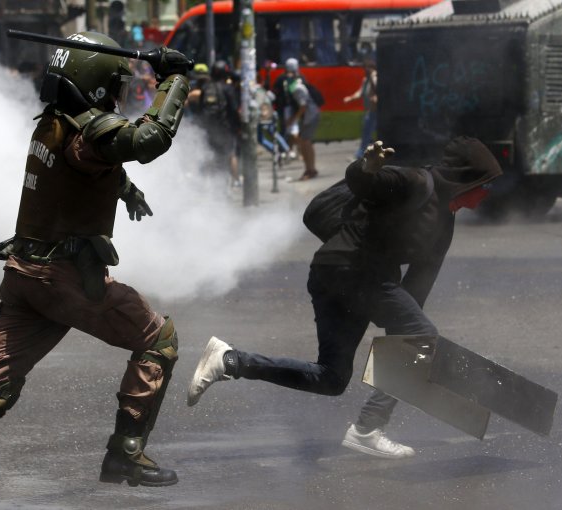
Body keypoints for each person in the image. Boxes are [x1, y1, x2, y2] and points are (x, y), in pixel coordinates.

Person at [0, 32, 191, 509]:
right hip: (64, 280)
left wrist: (123, 187)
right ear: (95, 85)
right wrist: (175, 79)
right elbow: (147, 137)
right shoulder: (87, 132)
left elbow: (90, 163)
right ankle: (126, 453)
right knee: (158, 340)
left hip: (24, 274)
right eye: (112, 87)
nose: (115, 96)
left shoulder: (51, 124)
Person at [187, 137, 502, 459]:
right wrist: (366, 166)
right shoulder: (416, 182)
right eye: (486, 186)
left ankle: (229, 361)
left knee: (332, 378)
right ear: (467, 178)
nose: (486, 196)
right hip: (351, 271)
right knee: (421, 336)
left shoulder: (444, 225)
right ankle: (368, 428)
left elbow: (417, 288)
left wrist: (405, 348)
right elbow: (365, 181)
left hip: (338, 275)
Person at [188, 60, 241, 187]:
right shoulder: (227, 89)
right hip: (225, 129)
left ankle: (209, 184)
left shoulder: (206, 88)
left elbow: (200, 109)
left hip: (209, 129)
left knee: (210, 156)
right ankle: (231, 181)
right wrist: (238, 127)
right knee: (230, 155)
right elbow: (234, 110)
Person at [282, 58, 321, 181]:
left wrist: (293, 120)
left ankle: (310, 170)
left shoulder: (297, 86)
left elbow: (303, 106)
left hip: (310, 116)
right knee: (304, 141)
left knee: (305, 142)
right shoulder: (299, 81)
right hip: (308, 116)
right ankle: (310, 168)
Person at [344, 56, 378, 160]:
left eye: (368, 67)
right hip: (370, 110)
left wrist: (373, 75)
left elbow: (377, 88)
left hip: (376, 111)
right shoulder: (365, 80)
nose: (365, 70)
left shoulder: (375, 77)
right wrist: (350, 98)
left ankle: (362, 154)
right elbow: (360, 92)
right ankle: (364, 153)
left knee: (368, 132)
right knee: (367, 132)